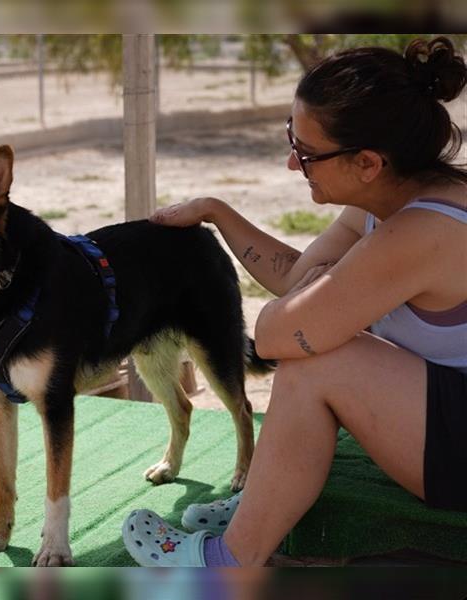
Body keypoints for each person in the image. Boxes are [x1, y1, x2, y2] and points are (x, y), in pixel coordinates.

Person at [121, 36, 467, 567]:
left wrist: (328, 298)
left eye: (305, 153)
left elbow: (275, 336)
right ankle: (261, 510)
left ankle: (225, 563)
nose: (290, 162)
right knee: (323, 345)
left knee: (322, 361)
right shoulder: (390, 197)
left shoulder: (422, 229)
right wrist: (216, 211)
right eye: (291, 137)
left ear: (368, 162)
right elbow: (298, 281)